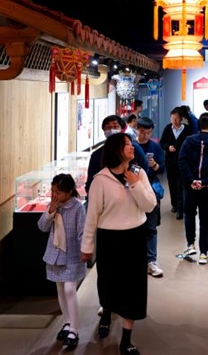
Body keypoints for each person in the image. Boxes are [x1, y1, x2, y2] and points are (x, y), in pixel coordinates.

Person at [80, 133, 156, 355]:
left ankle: (126, 339)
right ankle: (106, 313)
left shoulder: (138, 173)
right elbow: (91, 217)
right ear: (116, 150)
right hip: (109, 239)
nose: (132, 147)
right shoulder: (100, 180)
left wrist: (135, 185)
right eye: (126, 144)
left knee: (134, 287)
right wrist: (87, 247)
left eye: (131, 144)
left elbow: (150, 205)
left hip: (135, 237)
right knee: (108, 283)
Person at [38, 174, 86, 351]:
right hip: (54, 254)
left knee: (69, 289)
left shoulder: (78, 208)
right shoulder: (53, 206)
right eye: (52, 190)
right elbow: (42, 227)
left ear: (69, 191)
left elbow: (82, 230)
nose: (54, 194)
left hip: (73, 255)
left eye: (58, 191)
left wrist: (85, 250)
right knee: (60, 289)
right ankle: (66, 323)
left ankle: (74, 329)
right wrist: (51, 210)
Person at [178, 112, 208, 264]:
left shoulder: (188, 141)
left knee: (189, 215)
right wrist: (204, 181)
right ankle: (204, 253)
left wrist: (192, 180)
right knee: (206, 219)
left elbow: (182, 161)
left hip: (189, 187)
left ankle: (190, 245)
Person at [135, 116, 166, 278]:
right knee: (133, 226)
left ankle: (151, 261)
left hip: (150, 192)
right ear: (136, 129)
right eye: (142, 131)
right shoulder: (131, 146)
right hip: (131, 192)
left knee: (151, 227)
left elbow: (162, 170)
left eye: (148, 132)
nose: (145, 135)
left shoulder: (155, 147)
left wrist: (154, 164)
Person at [159, 108, 190, 219]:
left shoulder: (187, 129)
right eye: (172, 118)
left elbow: (190, 145)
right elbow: (162, 142)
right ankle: (174, 205)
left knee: (181, 185)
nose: (174, 121)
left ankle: (180, 209)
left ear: (181, 119)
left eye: (176, 119)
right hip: (170, 162)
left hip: (183, 162)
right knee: (172, 184)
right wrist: (168, 147)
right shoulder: (168, 128)